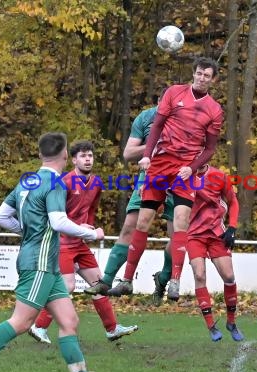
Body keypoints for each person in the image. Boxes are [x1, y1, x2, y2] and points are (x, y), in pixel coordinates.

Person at [0, 132, 104, 372]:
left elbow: (0, 216)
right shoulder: (56, 182)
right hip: (39, 264)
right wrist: (92, 234)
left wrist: (29, 229)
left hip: (47, 265)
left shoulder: (29, 180)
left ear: (41, 154)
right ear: (66, 154)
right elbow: (57, 221)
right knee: (21, 322)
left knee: (69, 321)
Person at [109, 57, 224, 300]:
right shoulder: (174, 93)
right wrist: (147, 156)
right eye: (199, 73)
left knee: (181, 223)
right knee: (142, 222)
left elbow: (210, 149)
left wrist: (192, 168)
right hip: (160, 165)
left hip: (184, 170)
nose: (202, 78)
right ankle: (127, 280)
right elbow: (158, 127)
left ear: (213, 80)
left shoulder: (214, 109)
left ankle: (174, 281)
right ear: (193, 74)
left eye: (207, 76)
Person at [28, 140, 138, 344]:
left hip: (79, 244)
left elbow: (92, 210)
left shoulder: (96, 183)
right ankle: (39, 326)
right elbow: (56, 216)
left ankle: (112, 329)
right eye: (83, 156)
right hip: (61, 243)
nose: (88, 159)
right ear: (74, 160)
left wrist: (87, 228)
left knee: (99, 285)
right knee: (67, 286)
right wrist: (81, 230)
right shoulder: (64, 182)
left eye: (90, 156)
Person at [84, 99, 175, 306]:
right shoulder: (146, 118)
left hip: (177, 179)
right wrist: (154, 147)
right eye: (163, 104)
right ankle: (107, 281)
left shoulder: (185, 118)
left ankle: (164, 279)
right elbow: (128, 153)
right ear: (160, 102)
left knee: (176, 234)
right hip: (148, 179)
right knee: (129, 227)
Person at [187, 165, 243, 342]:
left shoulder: (219, 176)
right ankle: (211, 325)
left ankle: (231, 322)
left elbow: (233, 201)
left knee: (228, 276)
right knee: (199, 274)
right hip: (193, 234)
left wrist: (232, 227)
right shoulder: (183, 175)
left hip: (216, 232)